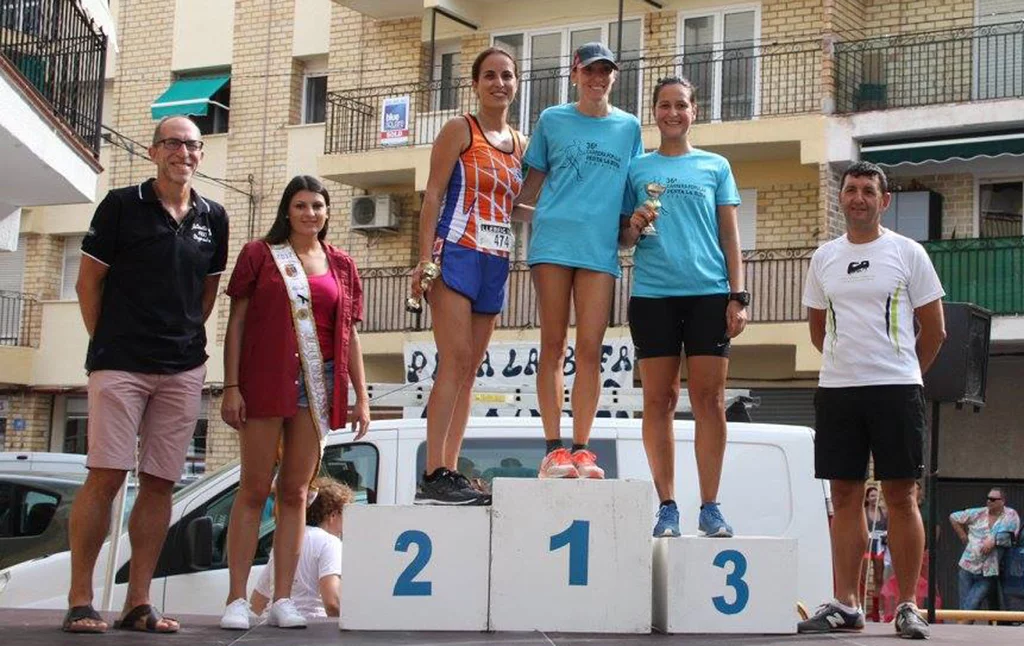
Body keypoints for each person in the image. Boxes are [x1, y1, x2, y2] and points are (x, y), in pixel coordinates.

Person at [63, 115, 228, 634]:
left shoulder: (214, 216)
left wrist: (178, 339)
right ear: (154, 152)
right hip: (120, 362)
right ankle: (81, 600)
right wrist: (108, 341)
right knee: (107, 475)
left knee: (160, 483)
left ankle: (138, 603)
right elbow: (89, 283)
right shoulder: (119, 205)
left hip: (182, 367)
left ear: (201, 154)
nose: (184, 152)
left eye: (193, 145)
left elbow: (206, 293)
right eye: (174, 143)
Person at [796, 161, 946, 640]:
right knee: (844, 499)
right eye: (850, 190)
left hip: (897, 390)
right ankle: (848, 604)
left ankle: (907, 606)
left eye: (868, 191)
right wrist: (852, 367)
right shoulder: (824, 257)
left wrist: (904, 374)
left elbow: (936, 330)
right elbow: (819, 331)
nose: (858, 198)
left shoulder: (907, 252)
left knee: (901, 498)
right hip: (839, 390)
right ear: (841, 198)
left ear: (884, 201)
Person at [219, 175, 370, 630]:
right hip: (265, 379)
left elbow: (351, 335)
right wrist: (230, 386)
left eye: (318, 207)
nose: (310, 214)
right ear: (287, 210)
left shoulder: (342, 265)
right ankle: (235, 600)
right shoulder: (259, 255)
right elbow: (238, 323)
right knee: (253, 489)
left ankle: (283, 598)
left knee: (296, 493)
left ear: (327, 213)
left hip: (318, 383)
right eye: (301, 206)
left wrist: (363, 397)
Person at [618, 77, 747, 538]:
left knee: (709, 401)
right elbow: (623, 240)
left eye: (681, 105)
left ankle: (710, 506)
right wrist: (632, 225)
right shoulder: (636, 169)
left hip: (709, 293)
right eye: (664, 106)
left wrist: (739, 295)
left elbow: (730, 236)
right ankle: (667, 505)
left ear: (695, 110)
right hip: (653, 295)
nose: (672, 113)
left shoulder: (716, 165)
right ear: (653, 112)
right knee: (660, 400)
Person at [516, 42, 643, 479]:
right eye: (590, 71)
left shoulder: (629, 128)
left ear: (614, 77)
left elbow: (631, 200)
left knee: (591, 349)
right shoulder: (552, 119)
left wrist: (637, 229)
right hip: (552, 243)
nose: (597, 78)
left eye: (605, 71)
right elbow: (528, 189)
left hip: (599, 249)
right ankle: (553, 450)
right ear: (575, 74)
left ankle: (583, 449)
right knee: (553, 344)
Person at [409, 48, 524, 505]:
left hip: (495, 259)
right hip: (454, 251)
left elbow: (523, 205)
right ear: (476, 84)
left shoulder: (521, 142)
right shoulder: (460, 129)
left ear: (517, 84)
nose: (499, 83)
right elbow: (433, 194)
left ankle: (450, 470)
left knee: (470, 372)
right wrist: (424, 260)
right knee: (453, 361)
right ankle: (433, 470)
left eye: (507, 76)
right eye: (490, 76)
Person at [250, 478, 353, 619]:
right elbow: (332, 603)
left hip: (274, 626)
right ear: (333, 515)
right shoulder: (330, 543)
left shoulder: (287, 541)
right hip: (310, 628)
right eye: (346, 516)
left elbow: (257, 602)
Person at [949, 487, 1020, 611]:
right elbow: (954, 517)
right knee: (964, 603)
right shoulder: (979, 512)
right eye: (988, 498)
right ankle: (963, 628)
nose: (989, 502)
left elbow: (1010, 531)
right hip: (968, 565)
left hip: (987, 570)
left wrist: (993, 541)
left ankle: (962, 624)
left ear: (1002, 501)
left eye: (993, 499)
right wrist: (963, 536)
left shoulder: (1010, 514)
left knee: (972, 603)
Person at [861, 485, 888, 620]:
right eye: (872, 496)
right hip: (866, 547)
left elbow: (889, 527)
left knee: (878, 578)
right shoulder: (863, 512)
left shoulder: (883, 512)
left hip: (879, 547)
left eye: (876, 495)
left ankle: (876, 610)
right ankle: (861, 607)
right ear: (867, 498)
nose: (874, 498)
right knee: (863, 577)